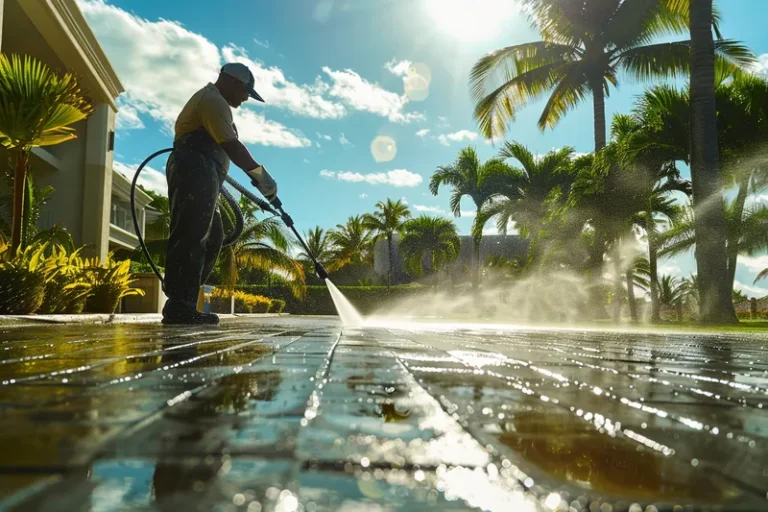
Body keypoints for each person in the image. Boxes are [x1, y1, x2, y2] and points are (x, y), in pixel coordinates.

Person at [162, 62, 277, 325]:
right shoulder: (213, 101)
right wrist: (262, 177)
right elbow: (233, 147)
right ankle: (179, 305)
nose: (246, 97)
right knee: (192, 233)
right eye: (246, 91)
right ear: (234, 82)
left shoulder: (219, 105)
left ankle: (185, 299)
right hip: (192, 168)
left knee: (213, 235)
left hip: (206, 173)